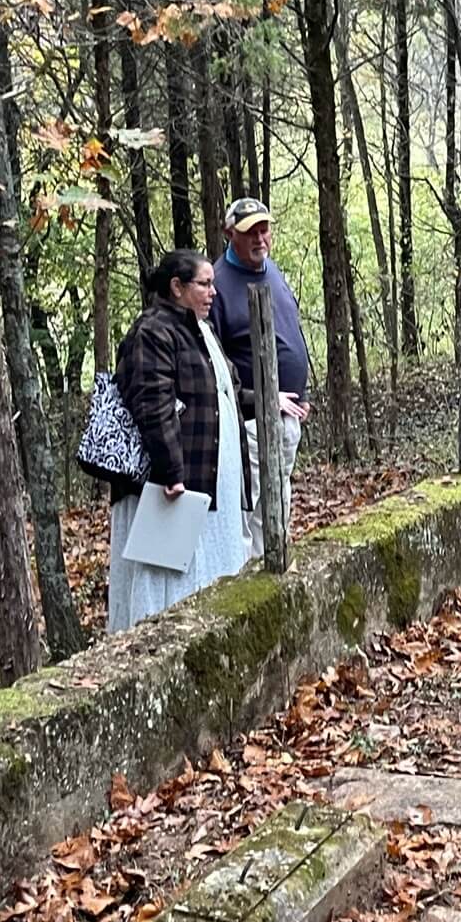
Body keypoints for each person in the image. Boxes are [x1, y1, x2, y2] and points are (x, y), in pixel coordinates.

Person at [107, 249, 251, 633]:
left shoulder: (202, 331)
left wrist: (271, 401)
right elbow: (152, 403)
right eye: (204, 284)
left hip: (207, 480)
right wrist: (172, 471)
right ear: (177, 287)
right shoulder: (153, 331)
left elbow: (225, 393)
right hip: (173, 486)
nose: (213, 293)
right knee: (163, 580)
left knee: (208, 572)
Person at [209, 197, 310, 558]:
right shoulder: (217, 285)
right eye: (250, 231)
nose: (259, 238)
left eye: (264, 230)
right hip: (250, 423)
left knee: (277, 501)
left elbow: (290, 331)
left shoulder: (272, 271)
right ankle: (249, 578)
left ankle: (276, 566)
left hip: (286, 415)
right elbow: (215, 368)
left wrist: (301, 394)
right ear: (230, 234)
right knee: (249, 510)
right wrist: (262, 397)